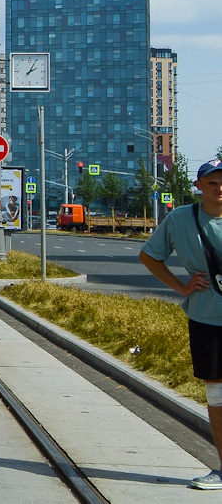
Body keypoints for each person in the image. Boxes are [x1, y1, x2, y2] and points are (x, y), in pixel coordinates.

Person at [139, 157, 222, 490]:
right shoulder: (181, 219)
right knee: (217, 395)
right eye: (212, 182)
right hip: (206, 317)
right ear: (199, 186)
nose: (219, 188)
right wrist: (181, 287)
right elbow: (149, 256)